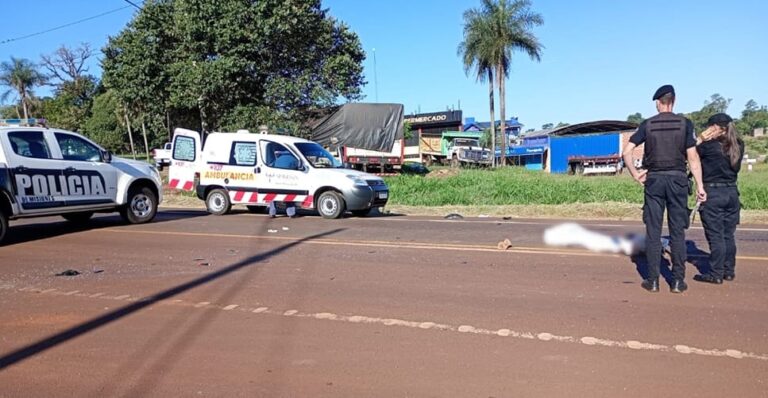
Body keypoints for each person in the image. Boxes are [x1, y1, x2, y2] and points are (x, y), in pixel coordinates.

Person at [622, 84, 706, 293]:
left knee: (653, 231)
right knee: (677, 232)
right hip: (678, 180)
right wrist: (700, 186)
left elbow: (627, 152)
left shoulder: (647, 125)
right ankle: (677, 281)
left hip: (655, 180)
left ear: (658, 103)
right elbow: (693, 158)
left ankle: (652, 281)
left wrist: (635, 174)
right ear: (674, 101)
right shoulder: (685, 124)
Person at [692, 113, 744, 284]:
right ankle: (729, 270)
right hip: (731, 192)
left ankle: (716, 273)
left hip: (713, 193)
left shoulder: (708, 146)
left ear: (715, 127)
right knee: (728, 235)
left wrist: (699, 139)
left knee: (716, 236)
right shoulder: (738, 144)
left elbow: (689, 154)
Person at [268, 150, 299, 218]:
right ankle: (291, 213)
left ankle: (272, 212)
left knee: (273, 196)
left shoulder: (278, 159)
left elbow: (271, 166)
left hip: (276, 182)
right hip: (287, 182)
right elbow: (298, 169)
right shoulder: (294, 159)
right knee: (289, 196)